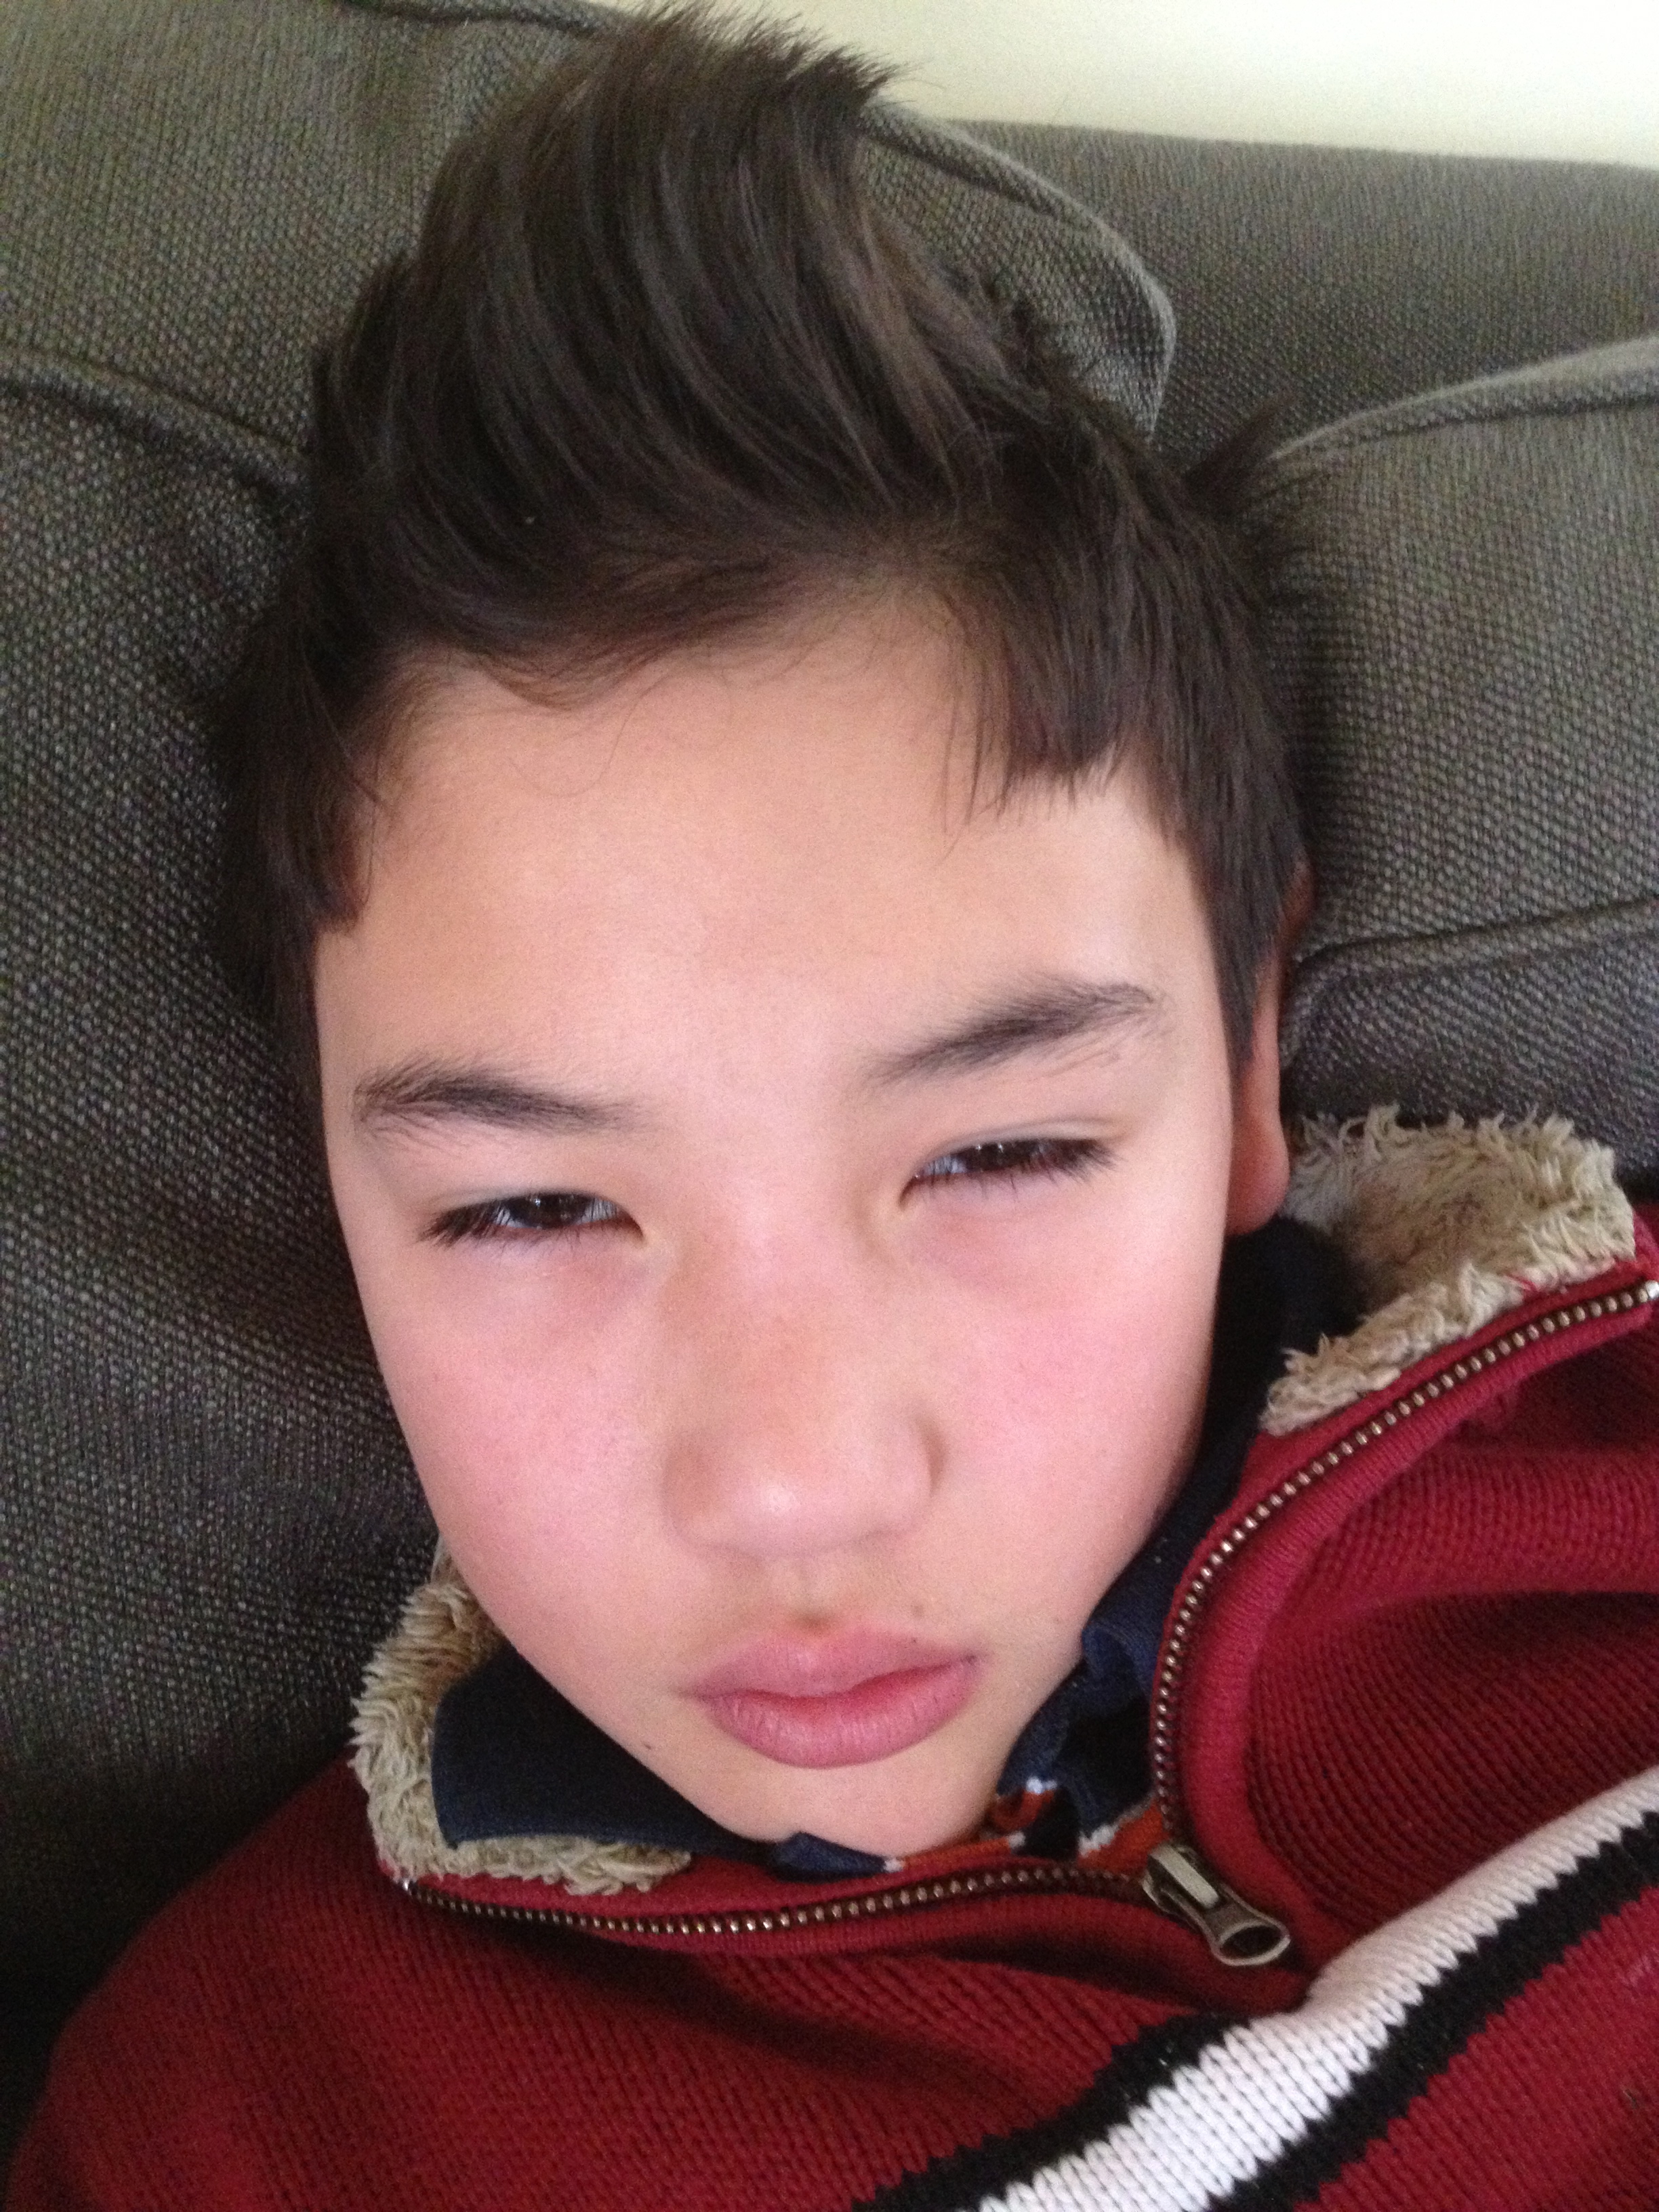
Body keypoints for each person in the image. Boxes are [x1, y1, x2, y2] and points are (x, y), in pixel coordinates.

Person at [12, 9, 1658, 2207]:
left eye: (1002, 1151)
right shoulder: (242, 2123)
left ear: (1251, 1051)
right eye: (530, 1209)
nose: (795, 1485)